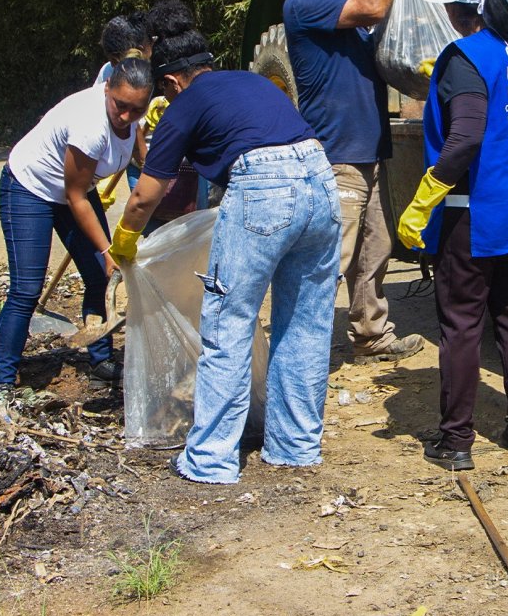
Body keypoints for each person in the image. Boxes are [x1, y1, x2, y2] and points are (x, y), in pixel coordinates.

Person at [110, 28, 341, 485]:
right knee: (306, 324)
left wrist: (124, 241)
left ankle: (211, 460)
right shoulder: (253, 82)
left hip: (263, 188)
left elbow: (145, 197)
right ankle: (295, 447)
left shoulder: (186, 105)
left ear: (174, 81)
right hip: (321, 180)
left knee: (228, 323)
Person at [396, 0, 508, 471]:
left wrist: (423, 201)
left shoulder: (465, 58)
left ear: (459, 8)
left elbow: (466, 138)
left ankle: (456, 441)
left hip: (473, 213)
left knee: (462, 325)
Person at [281, 0, 425, 365]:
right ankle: (299, 355)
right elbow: (375, 8)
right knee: (331, 260)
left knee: (374, 250)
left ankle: (370, 335)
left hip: (369, 147)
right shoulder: (305, 1)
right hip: (339, 153)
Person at [0, 57, 154, 397]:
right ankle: (3, 383)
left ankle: (100, 362)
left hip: (75, 192)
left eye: (136, 110)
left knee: (99, 276)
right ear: (106, 89)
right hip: (29, 189)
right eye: (120, 106)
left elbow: (144, 160)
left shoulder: (131, 116)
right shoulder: (91, 124)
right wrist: (107, 250)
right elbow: (76, 196)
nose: (125, 116)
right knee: (26, 289)